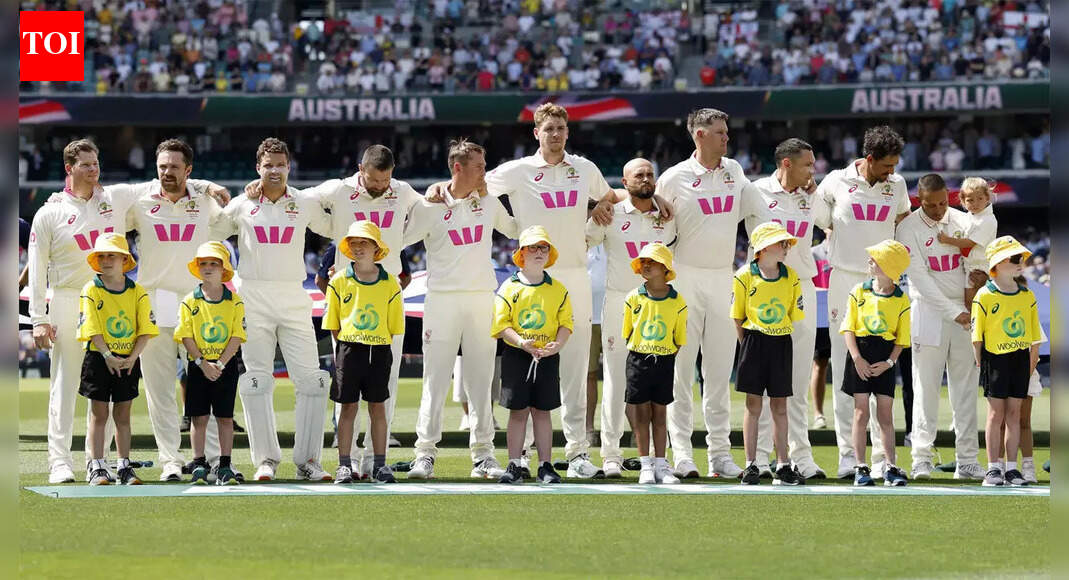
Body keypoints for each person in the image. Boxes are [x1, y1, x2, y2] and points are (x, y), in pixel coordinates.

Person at [218, 138, 334, 482]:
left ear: (289, 166)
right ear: (258, 168)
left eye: (280, 164)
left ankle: (309, 460)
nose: (274, 170)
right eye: (268, 165)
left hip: (293, 296)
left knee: (312, 382)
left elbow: (337, 220)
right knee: (256, 381)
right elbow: (207, 229)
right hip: (252, 297)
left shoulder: (305, 201)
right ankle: (265, 460)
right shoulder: (242, 204)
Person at [402, 139, 518, 480]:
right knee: (435, 381)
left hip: (482, 299)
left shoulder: (489, 202)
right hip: (441, 301)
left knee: (481, 383)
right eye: (480, 167)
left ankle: (484, 456)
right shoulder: (429, 206)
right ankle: (424, 454)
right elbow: (399, 240)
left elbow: (516, 229)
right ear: (458, 168)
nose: (485, 172)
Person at [305, 145, 422, 478]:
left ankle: (375, 460)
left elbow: (428, 206)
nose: (381, 185)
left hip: (387, 295)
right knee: (347, 393)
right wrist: (332, 231)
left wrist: (403, 236)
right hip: (349, 296)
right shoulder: (339, 189)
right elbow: (302, 199)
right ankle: (349, 459)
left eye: (386, 178)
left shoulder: (402, 191)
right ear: (361, 170)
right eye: (374, 179)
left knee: (386, 389)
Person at [124, 138, 235, 482]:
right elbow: (101, 199)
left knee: (208, 381)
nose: (166, 173)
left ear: (189, 170)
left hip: (197, 303)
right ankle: (170, 460)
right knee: (159, 389)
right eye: (161, 167)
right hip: (153, 302)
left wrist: (206, 186)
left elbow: (235, 216)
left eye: (174, 167)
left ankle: (214, 459)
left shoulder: (204, 202)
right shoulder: (139, 201)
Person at [658, 108, 759, 479]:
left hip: (723, 279)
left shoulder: (734, 171)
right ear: (699, 135)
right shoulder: (673, 178)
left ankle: (719, 455)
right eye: (719, 132)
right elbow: (654, 223)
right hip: (683, 277)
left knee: (718, 373)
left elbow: (758, 206)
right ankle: (682, 453)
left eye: (727, 132)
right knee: (680, 373)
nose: (726, 138)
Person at [30, 140, 138, 484]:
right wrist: (39, 319)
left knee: (105, 385)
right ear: (69, 169)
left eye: (96, 163)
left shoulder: (114, 200)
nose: (94, 170)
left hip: (110, 300)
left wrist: (207, 186)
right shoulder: (50, 212)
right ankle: (59, 462)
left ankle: (99, 462)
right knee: (64, 383)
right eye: (86, 165)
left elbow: (158, 189)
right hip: (67, 300)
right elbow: (36, 268)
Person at [813, 125, 911, 479]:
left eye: (895, 165)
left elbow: (901, 219)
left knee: (884, 371)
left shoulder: (897, 186)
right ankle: (849, 459)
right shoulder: (835, 182)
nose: (892, 172)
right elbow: (822, 221)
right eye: (886, 166)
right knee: (845, 369)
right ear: (869, 159)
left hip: (884, 283)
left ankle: (886, 460)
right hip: (845, 278)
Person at [585, 157, 676, 478]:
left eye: (651, 174)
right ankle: (611, 454)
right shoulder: (610, 214)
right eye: (639, 175)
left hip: (658, 308)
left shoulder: (668, 217)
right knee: (615, 380)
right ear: (624, 183)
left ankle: (659, 458)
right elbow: (584, 238)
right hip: (618, 305)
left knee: (660, 385)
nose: (646, 178)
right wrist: (599, 206)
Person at [743, 138, 827, 480]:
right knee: (762, 383)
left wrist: (816, 192)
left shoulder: (812, 195)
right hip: (762, 289)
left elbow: (833, 222)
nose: (813, 170)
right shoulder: (754, 191)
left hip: (802, 285)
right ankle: (760, 460)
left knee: (796, 379)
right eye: (808, 164)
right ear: (787, 164)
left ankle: (801, 458)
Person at [895, 174, 987, 481]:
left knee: (965, 387)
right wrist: (954, 313)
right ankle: (921, 456)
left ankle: (968, 460)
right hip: (928, 311)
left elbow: (976, 260)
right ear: (918, 200)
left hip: (965, 308)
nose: (938, 210)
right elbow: (919, 278)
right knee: (925, 387)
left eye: (942, 203)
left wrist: (978, 280)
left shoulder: (962, 220)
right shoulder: (907, 228)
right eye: (931, 205)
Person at [322, 221, 405, 484]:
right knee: (348, 408)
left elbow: (393, 327)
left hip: (379, 349)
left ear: (376, 247)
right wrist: (350, 344)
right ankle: (344, 464)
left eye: (364, 243)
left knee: (378, 407)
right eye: (354, 243)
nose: (358, 248)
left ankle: (379, 464)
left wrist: (374, 340)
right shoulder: (338, 281)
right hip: (349, 349)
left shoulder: (390, 283)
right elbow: (333, 325)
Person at [493, 226, 573, 484]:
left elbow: (566, 323)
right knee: (517, 412)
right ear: (521, 254)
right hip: (517, 356)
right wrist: (521, 342)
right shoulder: (509, 287)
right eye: (533, 247)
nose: (539, 252)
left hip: (547, 357)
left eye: (543, 247)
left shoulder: (558, 289)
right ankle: (514, 464)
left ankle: (545, 466)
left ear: (549, 253)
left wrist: (557, 345)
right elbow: (501, 325)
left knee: (542, 412)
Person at [78, 234, 159, 485]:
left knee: (123, 416)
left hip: (128, 361)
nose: (105, 260)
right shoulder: (91, 289)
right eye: (101, 256)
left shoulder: (138, 292)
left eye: (111, 255)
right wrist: (107, 355)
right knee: (98, 414)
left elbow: (145, 329)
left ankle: (125, 467)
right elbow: (91, 328)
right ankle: (97, 466)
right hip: (98, 358)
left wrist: (132, 357)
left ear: (125, 259)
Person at [731, 222, 804, 486]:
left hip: (781, 342)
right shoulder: (744, 275)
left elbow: (793, 314)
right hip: (753, 342)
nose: (785, 248)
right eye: (780, 243)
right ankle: (751, 464)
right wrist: (749, 345)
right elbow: (738, 316)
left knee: (780, 405)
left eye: (785, 243)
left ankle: (783, 464)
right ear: (762, 248)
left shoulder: (791, 276)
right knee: (753, 405)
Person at [839, 240, 911, 487]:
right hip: (860, 353)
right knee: (860, 412)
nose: (870, 261)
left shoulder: (902, 300)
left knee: (885, 414)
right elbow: (848, 327)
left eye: (876, 259)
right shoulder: (859, 291)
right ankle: (860, 467)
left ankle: (890, 466)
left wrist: (889, 363)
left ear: (889, 267)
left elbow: (902, 338)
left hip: (884, 358)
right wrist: (857, 358)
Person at [175, 241, 246, 485]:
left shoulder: (234, 302)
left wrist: (221, 364)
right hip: (198, 367)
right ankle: (199, 462)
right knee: (199, 418)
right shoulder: (190, 300)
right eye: (203, 264)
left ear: (223, 268)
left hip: (225, 368)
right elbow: (185, 336)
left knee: (225, 418)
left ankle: (224, 465)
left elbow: (237, 336)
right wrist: (202, 362)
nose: (208, 268)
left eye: (213, 264)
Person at [972, 237, 1041, 487]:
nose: (1021, 262)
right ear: (998, 263)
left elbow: (1033, 335)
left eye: (1021, 258)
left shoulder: (1027, 295)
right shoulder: (984, 296)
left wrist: (1029, 362)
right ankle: (993, 468)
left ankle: (1012, 469)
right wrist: (981, 362)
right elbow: (976, 335)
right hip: (994, 360)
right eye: (1015, 258)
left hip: (1019, 359)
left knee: (1014, 414)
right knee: (995, 415)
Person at [622, 243, 686, 485]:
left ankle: (661, 465)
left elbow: (679, 338)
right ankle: (645, 466)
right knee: (640, 414)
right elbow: (628, 332)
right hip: (637, 360)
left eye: (653, 262)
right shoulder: (632, 297)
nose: (646, 266)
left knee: (660, 413)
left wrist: (662, 353)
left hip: (665, 361)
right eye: (643, 262)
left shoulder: (678, 301)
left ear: (665, 267)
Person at [936, 177, 997, 311]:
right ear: (963, 201)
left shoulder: (988, 220)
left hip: (981, 268)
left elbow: (969, 243)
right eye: (970, 200)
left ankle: (983, 330)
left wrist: (947, 240)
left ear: (988, 197)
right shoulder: (969, 216)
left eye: (980, 198)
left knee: (979, 305)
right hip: (967, 266)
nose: (975, 203)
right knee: (969, 304)